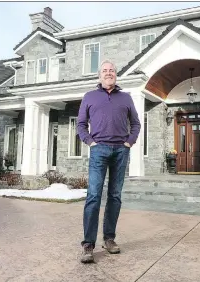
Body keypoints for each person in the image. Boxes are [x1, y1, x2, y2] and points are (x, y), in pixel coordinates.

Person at [77, 60, 141, 263]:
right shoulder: (89, 96)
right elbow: (80, 124)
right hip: (99, 150)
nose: (108, 73)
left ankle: (109, 239)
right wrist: (90, 142)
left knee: (115, 195)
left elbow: (136, 123)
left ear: (116, 74)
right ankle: (88, 244)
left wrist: (129, 142)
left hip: (121, 151)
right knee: (94, 196)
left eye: (111, 70)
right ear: (99, 76)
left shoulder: (126, 98)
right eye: (105, 71)